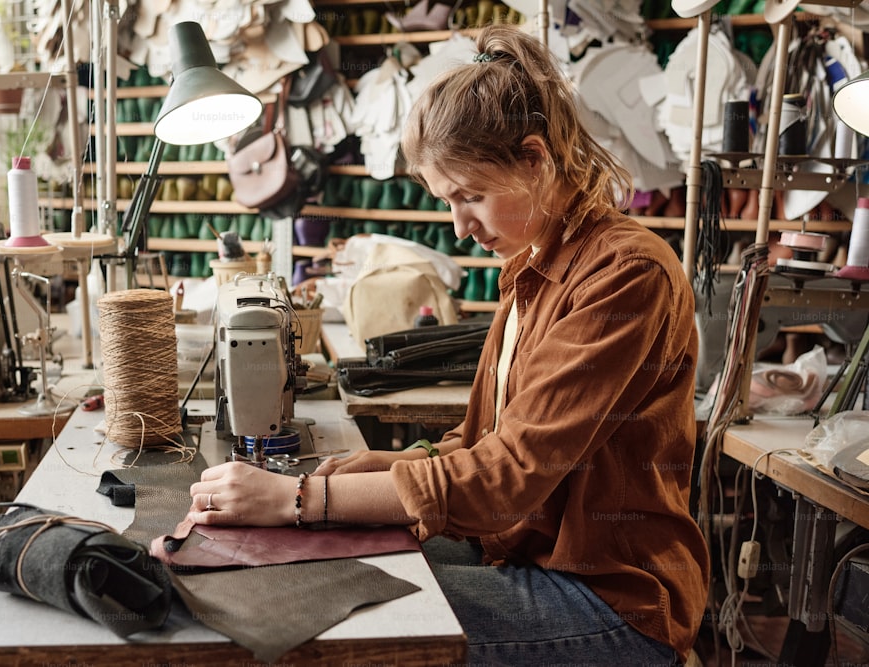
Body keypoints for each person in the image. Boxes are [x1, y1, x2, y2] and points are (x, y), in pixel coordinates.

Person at [188, 24, 709, 666]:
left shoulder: (626, 275)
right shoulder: (533, 267)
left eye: (471, 197)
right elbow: (484, 443)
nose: (461, 227)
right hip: (520, 551)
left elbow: (505, 478)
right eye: (448, 201)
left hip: (611, 600)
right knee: (334, 557)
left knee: (336, 600)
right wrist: (379, 469)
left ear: (536, 160)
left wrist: (297, 500)